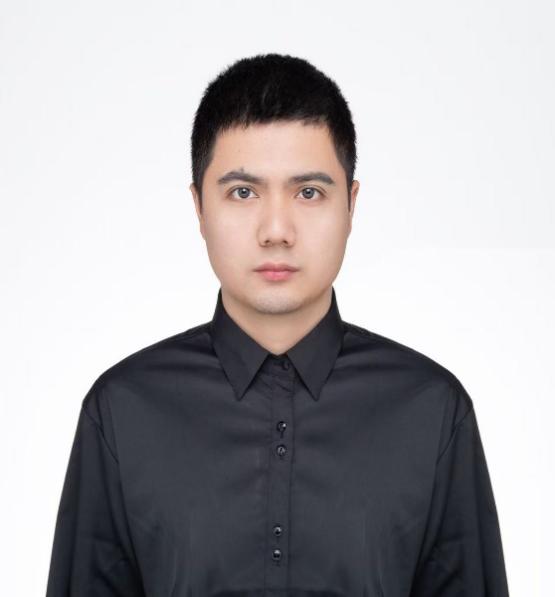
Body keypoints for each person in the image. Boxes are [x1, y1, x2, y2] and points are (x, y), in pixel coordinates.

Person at [45, 52, 510, 596]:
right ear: (198, 207)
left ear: (351, 204)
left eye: (309, 192)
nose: (276, 230)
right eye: (243, 192)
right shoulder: (122, 411)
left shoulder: (432, 411)